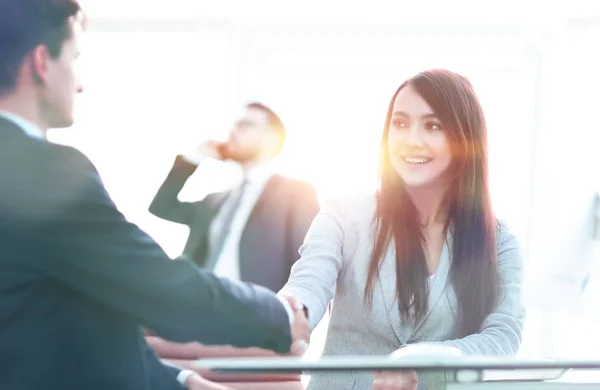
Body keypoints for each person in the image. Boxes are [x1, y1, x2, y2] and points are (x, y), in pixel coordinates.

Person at [0, 1, 308, 389]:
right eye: (75, 59)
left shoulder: (296, 192)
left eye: (247, 125)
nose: (80, 82)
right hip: (215, 321)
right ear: (42, 63)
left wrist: (183, 381)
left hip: (235, 335)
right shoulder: (44, 171)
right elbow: (156, 270)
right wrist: (278, 317)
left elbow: (73, 317)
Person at [278, 69, 526, 390]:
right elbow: (308, 284)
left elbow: (503, 336)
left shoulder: (500, 241)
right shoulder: (344, 213)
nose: (411, 140)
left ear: (465, 138)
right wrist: (287, 316)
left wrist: (426, 357)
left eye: (433, 126)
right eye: (400, 123)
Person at [150, 102, 319, 292]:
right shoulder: (216, 200)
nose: (233, 131)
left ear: (271, 138)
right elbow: (161, 207)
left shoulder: (295, 194)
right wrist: (194, 159)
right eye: (235, 124)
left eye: (245, 125)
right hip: (197, 307)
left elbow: (307, 263)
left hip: (254, 313)